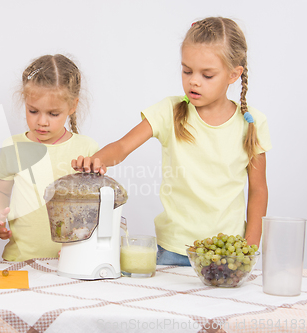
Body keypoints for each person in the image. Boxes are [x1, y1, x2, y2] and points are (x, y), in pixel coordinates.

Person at [72, 17, 271, 266]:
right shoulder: (169, 111)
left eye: (207, 75)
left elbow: (258, 190)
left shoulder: (252, 122)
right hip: (174, 251)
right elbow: (122, 147)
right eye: (187, 70)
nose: (193, 81)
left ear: (234, 74)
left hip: (227, 254)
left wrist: (249, 247)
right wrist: (96, 161)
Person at [0, 54, 99, 261]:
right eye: (33, 111)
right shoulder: (13, 146)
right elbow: (0, 191)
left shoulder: (87, 148)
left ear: (72, 106)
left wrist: (83, 246)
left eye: (53, 114)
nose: (42, 122)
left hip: (71, 260)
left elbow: (95, 208)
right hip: (19, 259)